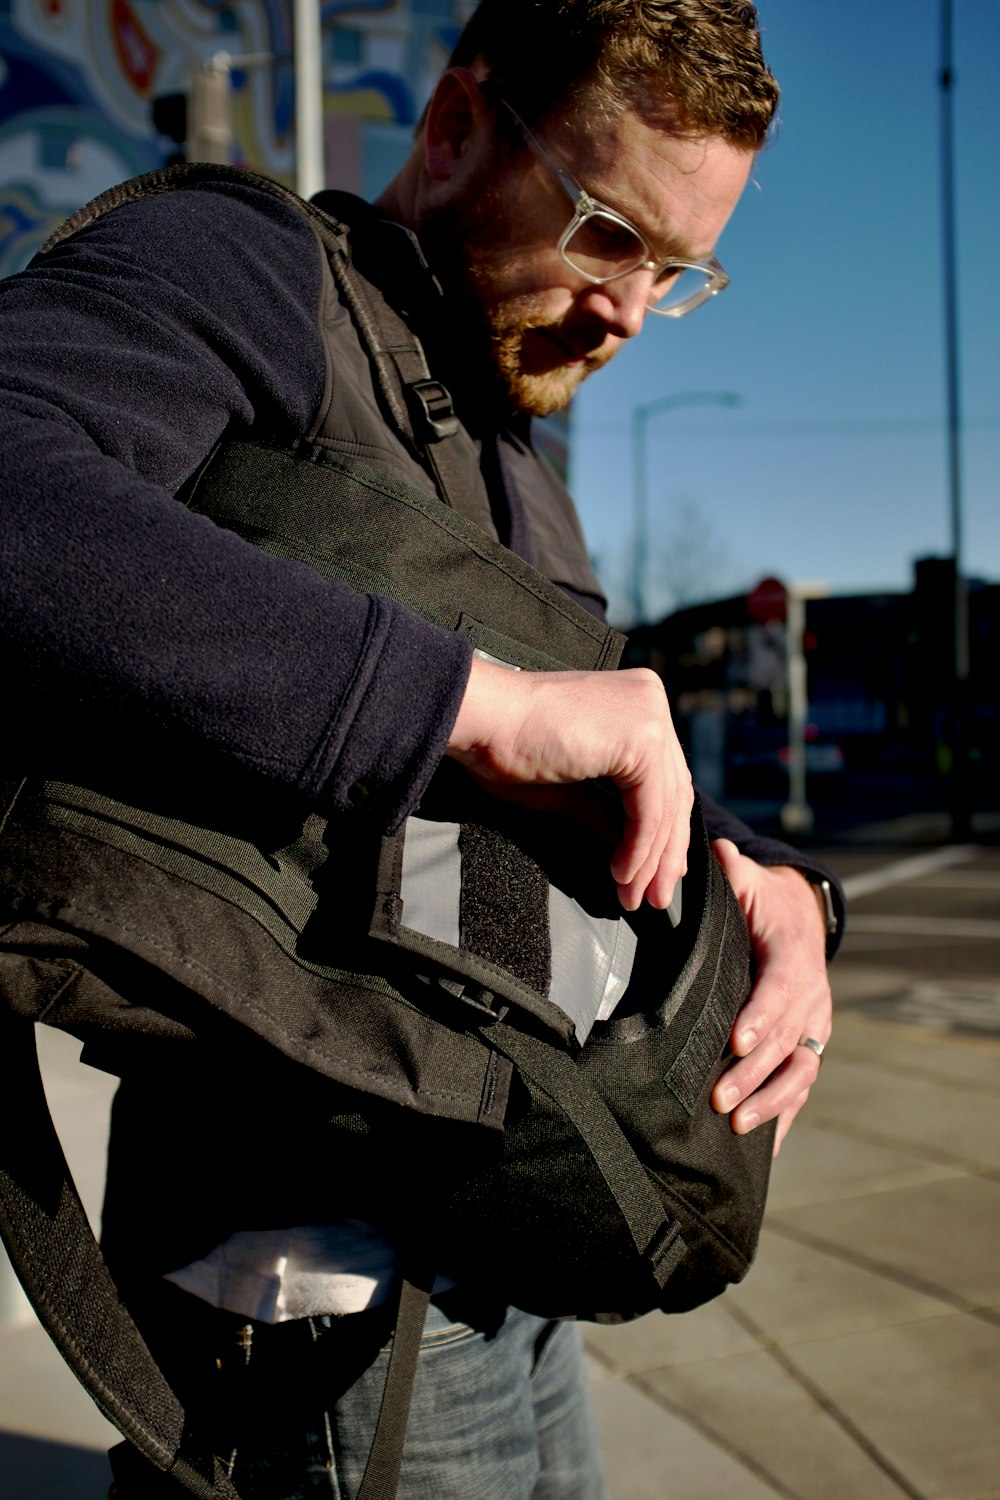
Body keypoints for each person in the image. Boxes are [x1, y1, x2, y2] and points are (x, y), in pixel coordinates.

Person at [0, 2, 842, 1496]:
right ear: (456, 125)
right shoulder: (252, 269)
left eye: (681, 271)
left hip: (510, 1229)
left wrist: (770, 884)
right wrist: (468, 699)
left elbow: (566, 779)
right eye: (607, 233)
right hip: (307, 1291)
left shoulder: (526, 449)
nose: (633, 309)